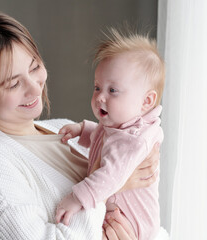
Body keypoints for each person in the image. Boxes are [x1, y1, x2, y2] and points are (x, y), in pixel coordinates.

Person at [0, 8, 161, 240]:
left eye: (34, 67)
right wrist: (111, 187)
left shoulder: (64, 129)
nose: (35, 87)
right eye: (13, 83)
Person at [55, 29, 165, 240]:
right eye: (97, 87)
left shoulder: (133, 138)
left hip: (131, 223)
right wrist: (83, 130)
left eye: (112, 90)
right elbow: (104, 136)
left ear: (146, 102)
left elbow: (110, 175)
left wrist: (77, 198)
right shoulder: (122, 125)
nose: (100, 97)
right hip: (118, 212)